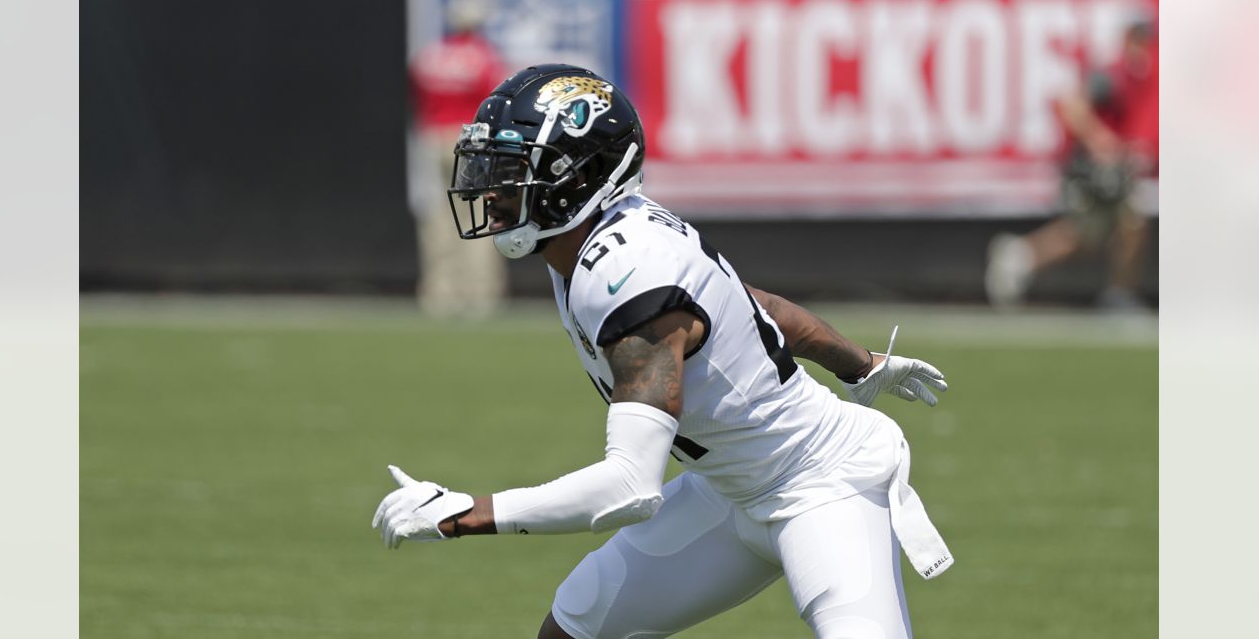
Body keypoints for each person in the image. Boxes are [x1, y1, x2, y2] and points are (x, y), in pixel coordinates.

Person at [373, 65, 954, 639]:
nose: (491, 189)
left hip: (821, 484)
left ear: (578, 179)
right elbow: (755, 306)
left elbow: (629, 487)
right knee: (577, 627)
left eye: (515, 171)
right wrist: (860, 363)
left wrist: (462, 514)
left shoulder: (627, 271)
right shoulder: (597, 240)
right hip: (725, 489)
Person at [985, 19, 1158, 311]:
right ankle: (1118, 295)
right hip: (1089, 170)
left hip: (1107, 172)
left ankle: (1022, 255)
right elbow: (1072, 105)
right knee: (1117, 225)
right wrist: (1102, 143)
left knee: (1092, 233)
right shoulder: (1113, 74)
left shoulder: (1137, 78)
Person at [408, 0, 509, 318]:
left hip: (432, 136)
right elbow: (493, 105)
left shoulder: (432, 55)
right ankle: (479, 294)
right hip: (469, 138)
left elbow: (419, 97)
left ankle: (440, 293)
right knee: (477, 214)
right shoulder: (483, 57)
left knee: (438, 216)